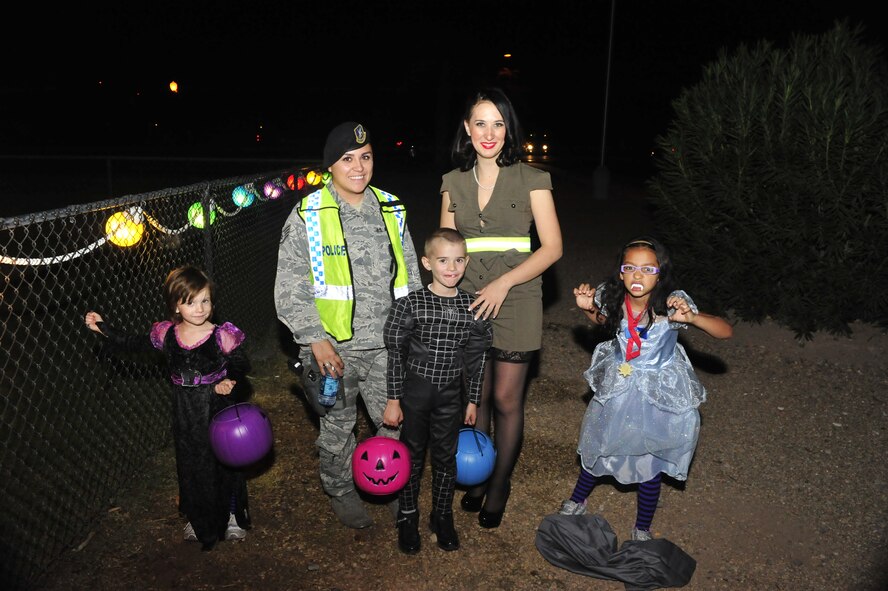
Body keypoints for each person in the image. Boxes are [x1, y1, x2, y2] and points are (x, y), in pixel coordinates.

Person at [275, 121, 422, 529]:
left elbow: (410, 277)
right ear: (330, 167)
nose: (358, 167)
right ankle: (340, 490)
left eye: (366, 156)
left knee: (393, 422)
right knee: (337, 428)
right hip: (332, 352)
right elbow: (289, 286)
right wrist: (315, 340)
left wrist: (410, 335)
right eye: (347, 159)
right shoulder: (309, 213)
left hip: (386, 347)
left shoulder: (392, 209)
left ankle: (391, 485)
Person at [440, 87, 563, 528]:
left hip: (518, 298)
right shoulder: (453, 182)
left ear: (507, 129)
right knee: (476, 398)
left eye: (497, 123)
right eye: (480, 123)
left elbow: (552, 248)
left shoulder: (533, 178)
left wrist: (503, 283)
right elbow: (447, 247)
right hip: (469, 302)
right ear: (467, 130)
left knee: (507, 398)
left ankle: (499, 484)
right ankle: (478, 471)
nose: (488, 133)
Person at [558, 237, 733, 541]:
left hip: (657, 392)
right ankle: (578, 499)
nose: (638, 276)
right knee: (600, 441)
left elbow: (725, 331)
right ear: (621, 273)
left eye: (647, 269)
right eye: (630, 268)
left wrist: (692, 317)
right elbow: (603, 320)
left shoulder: (671, 303)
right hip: (620, 384)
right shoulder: (612, 298)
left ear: (660, 274)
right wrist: (588, 309)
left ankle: (642, 528)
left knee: (649, 460)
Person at [84, 265, 251, 551]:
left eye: (205, 300)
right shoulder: (167, 336)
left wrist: (229, 381)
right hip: (185, 412)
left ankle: (232, 514)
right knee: (190, 463)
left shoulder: (220, 335)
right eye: (190, 302)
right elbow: (133, 342)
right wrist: (103, 328)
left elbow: (240, 363)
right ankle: (198, 517)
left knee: (224, 462)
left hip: (217, 408)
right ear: (176, 305)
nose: (199, 308)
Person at [382, 228, 493, 554]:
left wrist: (472, 399)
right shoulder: (410, 304)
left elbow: (476, 357)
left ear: (466, 262)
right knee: (412, 457)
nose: (451, 267)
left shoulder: (473, 307)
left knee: (445, 459)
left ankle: (441, 515)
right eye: (443, 260)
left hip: (449, 397)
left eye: (458, 260)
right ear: (427, 262)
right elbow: (396, 355)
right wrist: (393, 399)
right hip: (415, 395)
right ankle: (407, 516)